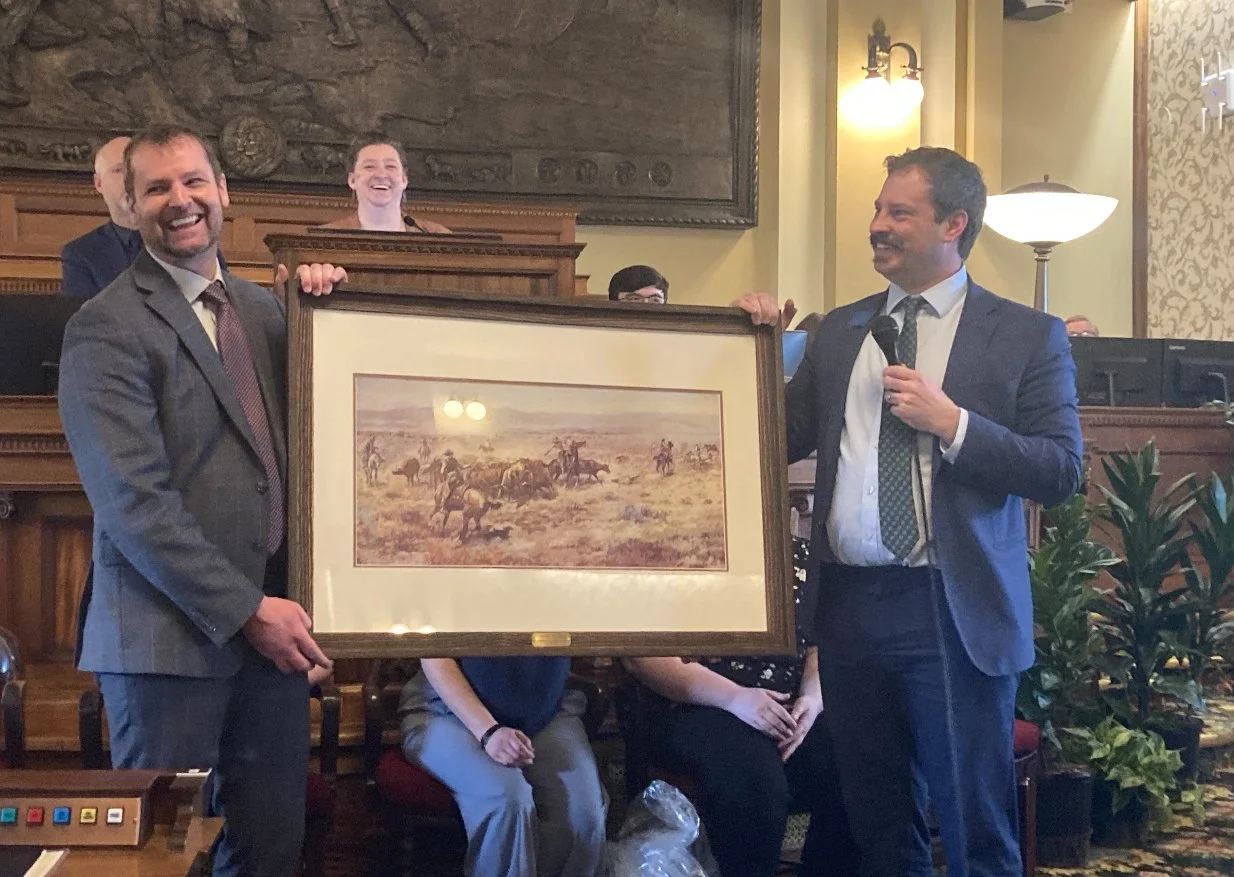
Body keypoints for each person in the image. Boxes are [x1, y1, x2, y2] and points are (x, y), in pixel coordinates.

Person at [736, 146, 1082, 877]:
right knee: (877, 828)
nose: (878, 225)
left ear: (954, 224)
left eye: (899, 212)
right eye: (877, 209)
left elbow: (1060, 469)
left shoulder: (1026, 335)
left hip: (953, 610)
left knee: (975, 830)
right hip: (850, 609)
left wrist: (953, 423)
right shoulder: (841, 332)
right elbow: (774, 436)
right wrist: (753, 349)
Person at [57, 124, 347, 877]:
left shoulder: (270, 312)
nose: (179, 200)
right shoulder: (105, 326)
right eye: (155, 188)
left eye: (192, 181)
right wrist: (250, 610)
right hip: (165, 651)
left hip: (273, 650)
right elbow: (133, 502)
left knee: (270, 852)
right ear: (129, 206)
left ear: (223, 191)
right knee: (166, 861)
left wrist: (329, 306)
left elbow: (322, 445)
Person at [624, 536, 859, 877]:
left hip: (787, 703)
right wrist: (737, 698)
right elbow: (644, 658)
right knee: (757, 782)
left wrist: (813, 698)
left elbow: (820, 644)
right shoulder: (663, 550)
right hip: (701, 703)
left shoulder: (801, 555)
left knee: (857, 761)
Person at [398, 657, 608, 877]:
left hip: (544, 711)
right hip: (447, 709)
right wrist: (488, 731)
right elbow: (435, 659)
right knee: (509, 799)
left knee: (583, 812)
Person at [60, 137, 142, 299]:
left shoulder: (178, 238)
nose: (130, 179)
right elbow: (83, 314)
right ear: (98, 183)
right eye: (119, 170)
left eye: (137, 168)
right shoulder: (82, 254)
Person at [321, 133, 451, 233]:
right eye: (369, 166)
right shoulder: (325, 237)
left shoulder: (437, 236)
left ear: (404, 180)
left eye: (390, 166)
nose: (381, 175)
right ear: (352, 180)